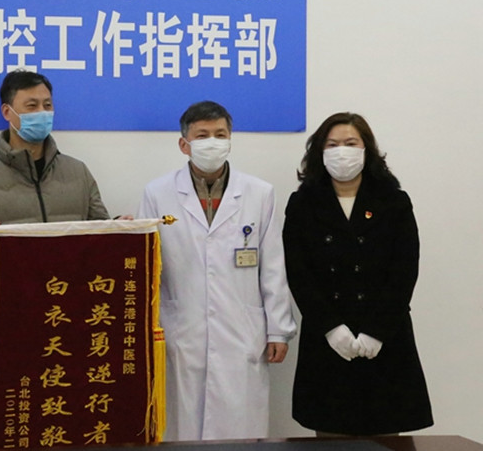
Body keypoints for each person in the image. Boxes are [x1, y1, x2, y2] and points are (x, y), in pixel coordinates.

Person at [137, 100, 296, 441]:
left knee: (240, 429)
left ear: (230, 140)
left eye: (220, 134)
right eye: (202, 135)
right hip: (181, 329)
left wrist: (278, 330)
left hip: (241, 332)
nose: (212, 142)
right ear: (184, 144)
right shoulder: (158, 193)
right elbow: (149, 268)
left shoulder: (259, 193)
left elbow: (272, 265)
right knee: (181, 427)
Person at [283, 112, 433, 436]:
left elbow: (404, 271)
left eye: (351, 143)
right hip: (328, 339)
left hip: (384, 337)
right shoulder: (302, 204)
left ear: (367, 150)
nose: (342, 151)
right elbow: (299, 273)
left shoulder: (394, 202)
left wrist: (376, 331)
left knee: (386, 436)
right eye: (332, 144)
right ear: (319, 152)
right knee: (331, 435)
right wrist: (331, 328)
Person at [0, 70, 110, 266]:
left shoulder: (78, 172)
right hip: (12, 285)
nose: (42, 113)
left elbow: (104, 233)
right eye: (32, 106)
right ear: (7, 112)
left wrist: (122, 227)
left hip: (70, 283)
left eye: (47, 105)